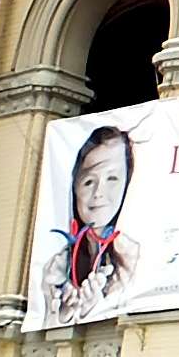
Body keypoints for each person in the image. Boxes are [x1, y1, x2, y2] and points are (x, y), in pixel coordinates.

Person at [39, 125, 142, 325]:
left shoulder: (133, 259)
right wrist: (65, 313)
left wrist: (98, 306)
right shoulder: (57, 268)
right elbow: (44, 323)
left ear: (126, 183)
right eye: (88, 181)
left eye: (112, 178)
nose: (98, 193)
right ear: (74, 187)